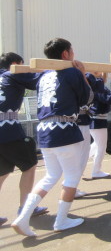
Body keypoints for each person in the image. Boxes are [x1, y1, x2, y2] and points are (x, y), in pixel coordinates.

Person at [12, 38, 93, 236]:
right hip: (64, 128)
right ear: (65, 54)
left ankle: (23, 217)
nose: (73, 54)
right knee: (72, 176)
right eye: (71, 50)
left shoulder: (44, 76)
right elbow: (87, 99)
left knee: (51, 175)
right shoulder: (72, 71)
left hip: (45, 129)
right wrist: (82, 75)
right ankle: (62, 220)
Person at [0, 53, 48, 227]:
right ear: (15, 64)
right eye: (22, 64)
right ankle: (25, 208)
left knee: (3, 172)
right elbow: (40, 79)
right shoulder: (12, 74)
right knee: (29, 165)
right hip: (8, 129)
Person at [88, 73, 111, 178]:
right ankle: (96, 171)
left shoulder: (94, 87)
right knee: (102, 147)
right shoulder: (97, 88)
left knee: (96, 145)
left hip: (96, 119)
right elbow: (109, 98)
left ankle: (80, 165)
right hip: (97, 120)